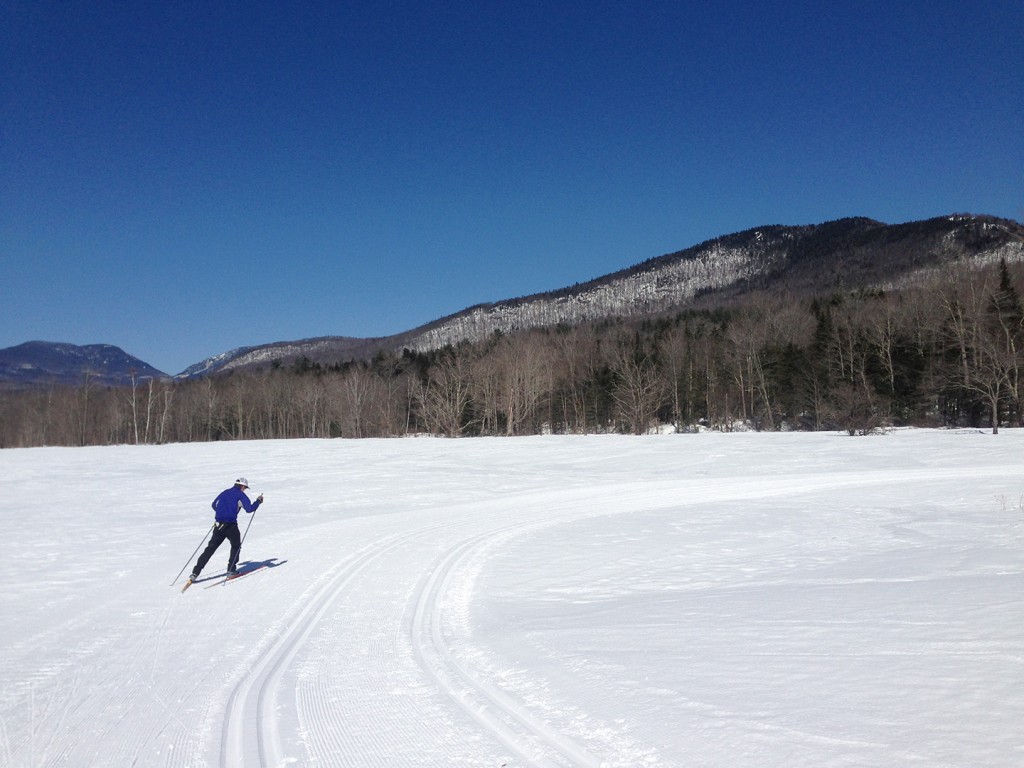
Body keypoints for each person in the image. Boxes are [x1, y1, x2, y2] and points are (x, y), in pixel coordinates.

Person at [189, 478, 264, 582]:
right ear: (242, 486)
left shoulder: (224, 492)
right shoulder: (240, 495)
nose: (245, 490)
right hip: (231, 525)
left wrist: (222, 512)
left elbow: (214, 505)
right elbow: (249, 509)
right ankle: (231, 570)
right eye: (245, 488)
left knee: (210, 549)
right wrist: (258, 502)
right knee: (236, 546)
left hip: (218, 525)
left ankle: (195, 573)